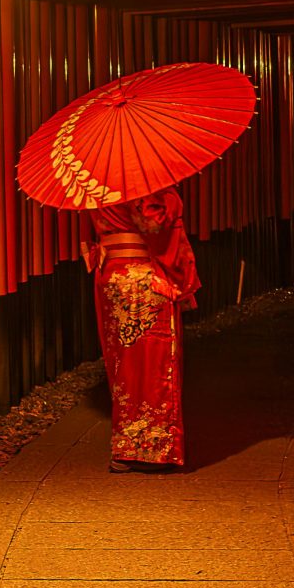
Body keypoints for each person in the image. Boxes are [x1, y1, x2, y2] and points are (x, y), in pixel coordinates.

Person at [81, 185, 201, 473]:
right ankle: (153, 449)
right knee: (154, 363)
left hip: (110, 274)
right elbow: (152, 224)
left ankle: (124, 448)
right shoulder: (135, 180)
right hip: (142, 277)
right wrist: (171, 198)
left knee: (124, 367)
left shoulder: (91, 180)